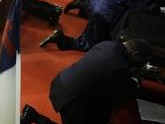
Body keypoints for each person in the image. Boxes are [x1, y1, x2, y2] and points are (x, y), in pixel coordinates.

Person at [21, 40, 149, 124]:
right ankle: (35, 118)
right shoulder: (120, 66)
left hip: (61, 84)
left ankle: (32, 115)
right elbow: (125, 94)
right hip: (72, 99)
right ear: (135, 56)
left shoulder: (108, 44)